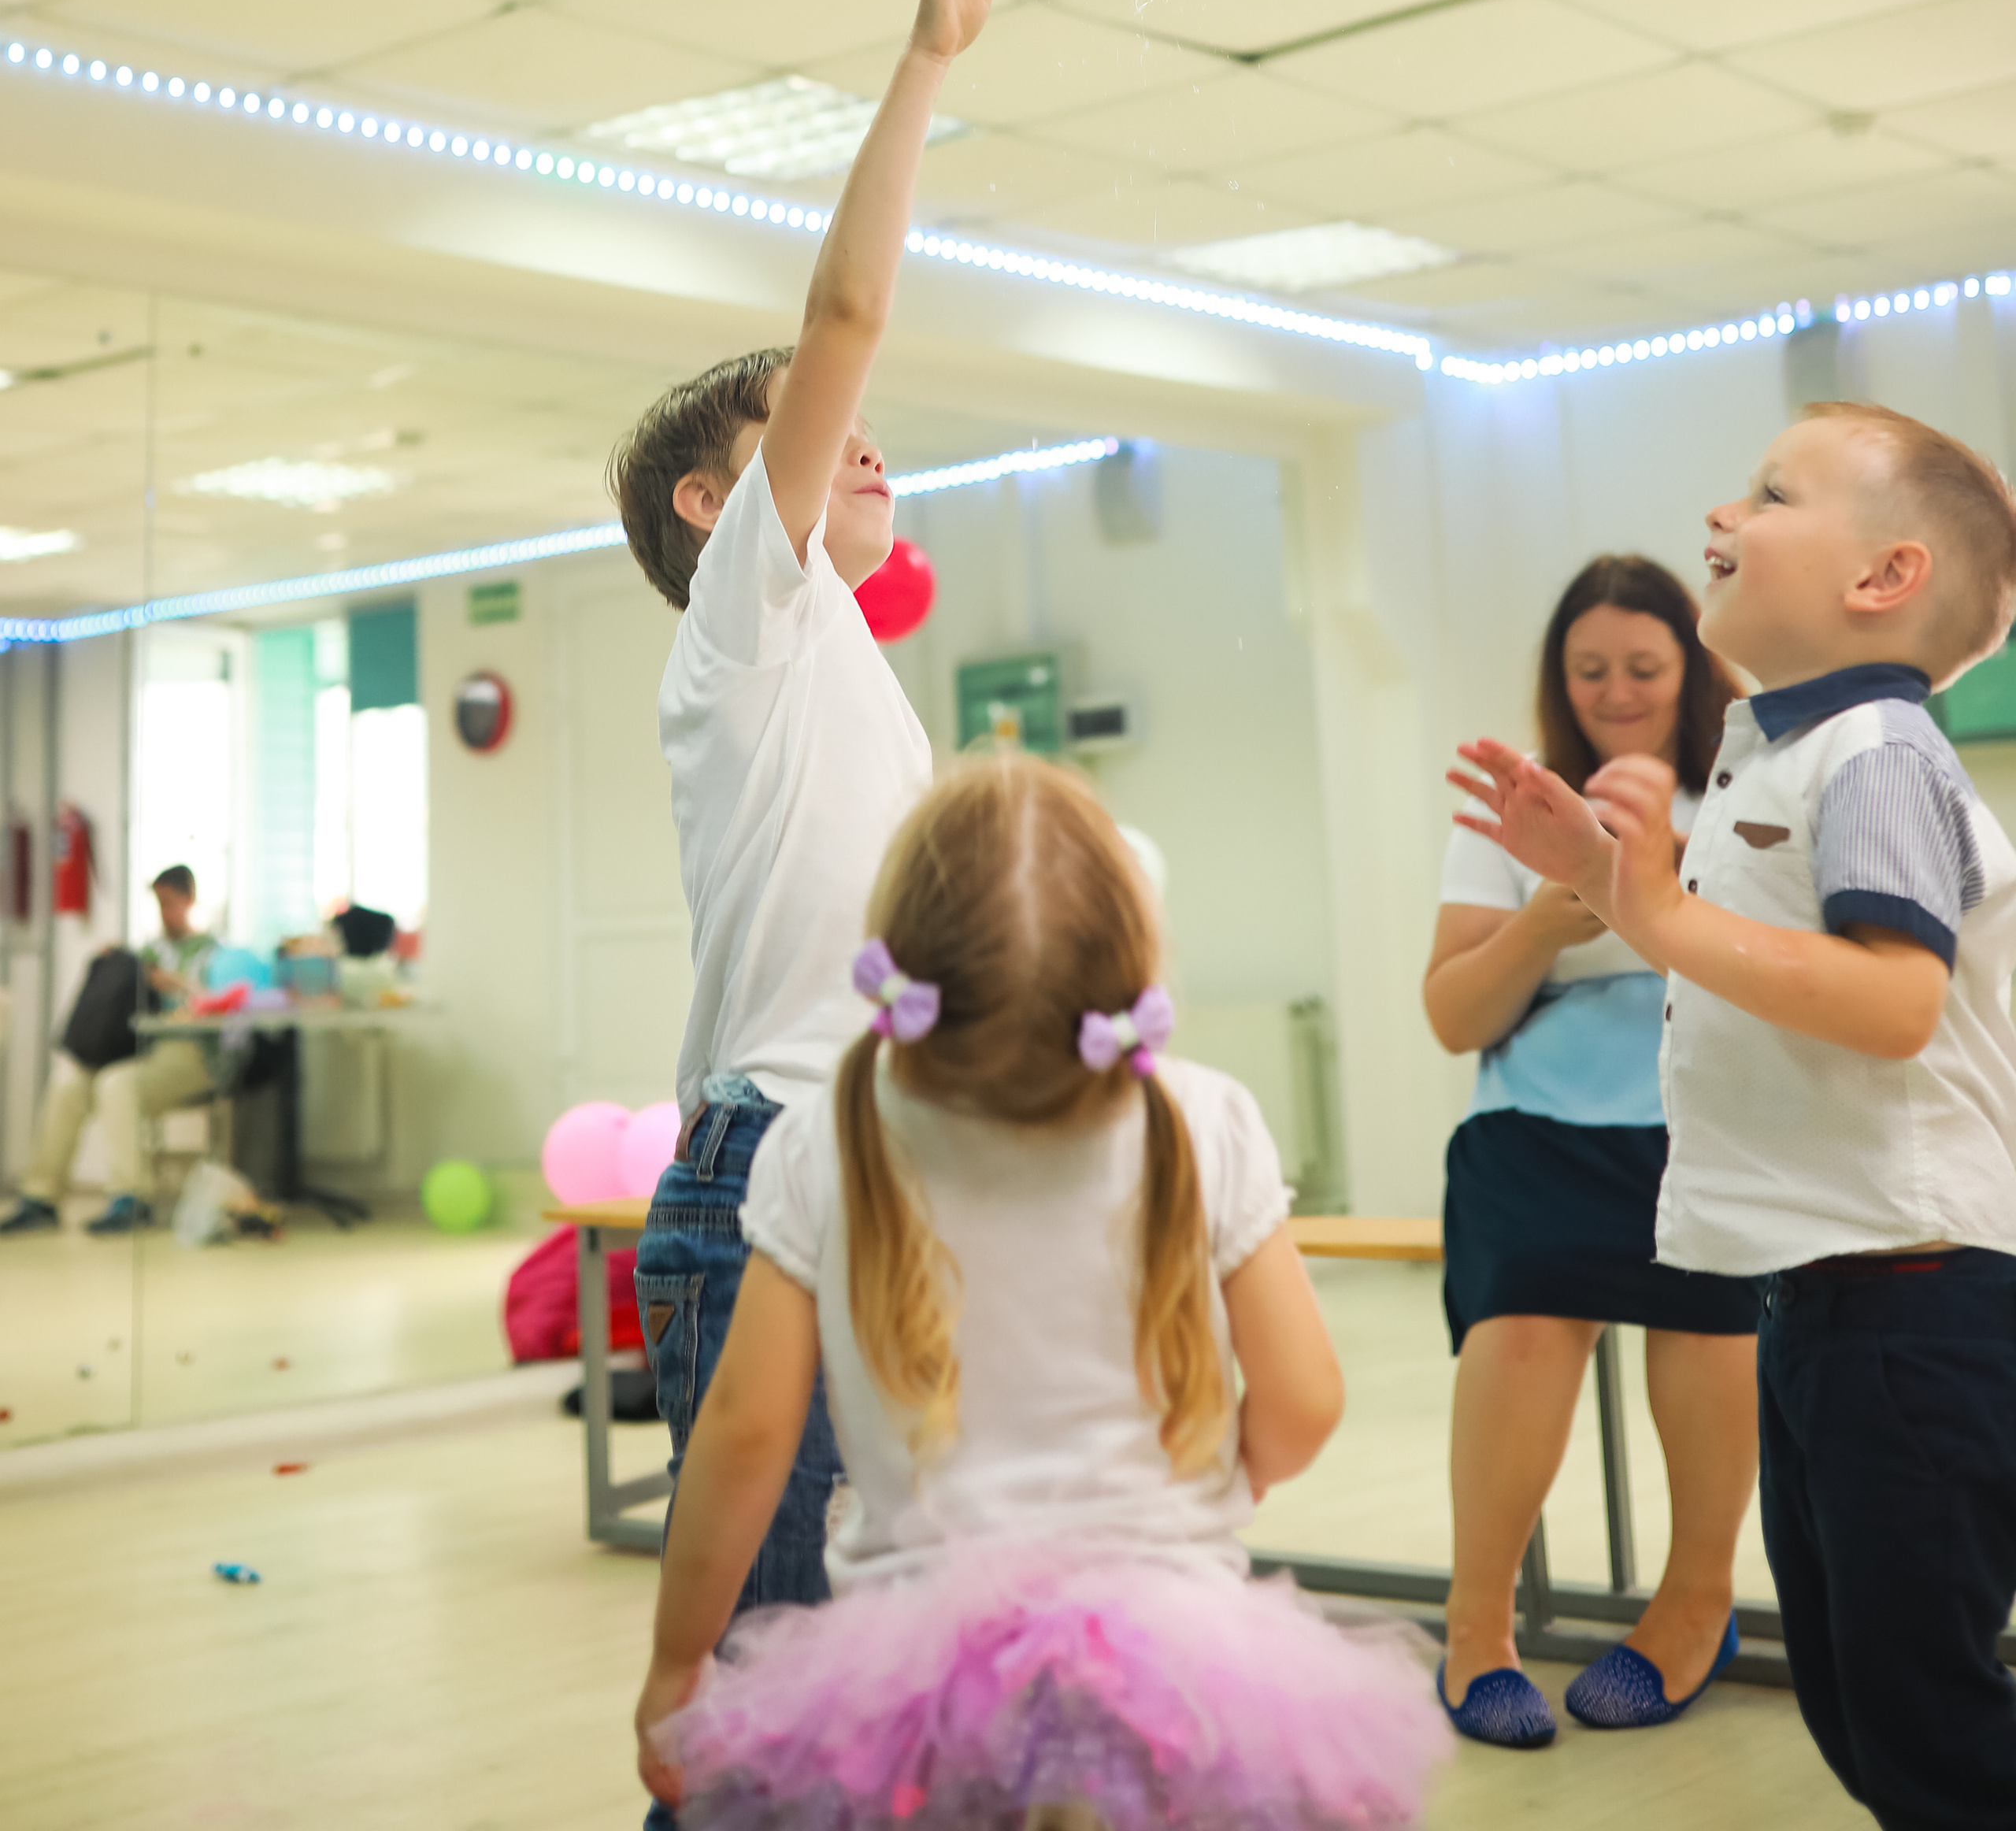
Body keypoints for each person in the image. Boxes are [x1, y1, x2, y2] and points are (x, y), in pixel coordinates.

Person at [631, 758, 1447, 1831]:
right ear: (1130, 954)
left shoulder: (828, 1137)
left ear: (899, 963)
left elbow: (744, 1436)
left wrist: (680, 1659)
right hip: (1177, 1659)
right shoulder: (1207, 1120)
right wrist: (1210, 1487)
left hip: (915, 1683)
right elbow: (1304, 1400)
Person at [1455, 400, 2016, 1829]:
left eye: (1769, 493)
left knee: (1928, 1722)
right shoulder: (1776, 756)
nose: (1721, 516)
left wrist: (1647, 901)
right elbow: (1761, 975)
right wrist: (1608, 878)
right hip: (1827, 1301)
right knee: (1858, 1701)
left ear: (1880, 580)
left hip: (1913, 1296)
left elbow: (1892, 999)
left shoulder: (1877, 749)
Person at [606, 0, 1017, 1623]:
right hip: (765, 1174)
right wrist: (927, 59)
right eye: (809, 433)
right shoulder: (745, 620)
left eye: (858, 434)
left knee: (876, 1696)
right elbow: (844, 318)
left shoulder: (841, 653)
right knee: (778, 1720)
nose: (859, 442)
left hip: (885, 1172)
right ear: (718, 506)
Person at [1424, 556, 1759, 1745]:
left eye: (1644, 667)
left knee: (1713, 1320)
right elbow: (1457, 1016)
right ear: (1558, 681)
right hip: (1536, 1127)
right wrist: (1544, 916)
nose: (1616, 690)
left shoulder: (1744, 793)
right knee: (1521, 1316)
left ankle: (1695, 1605)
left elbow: (1771, 984)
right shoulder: (1515, 811)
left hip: (1704, 1115)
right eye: (1590, 670)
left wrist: (1645, 887)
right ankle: (1478, 1633)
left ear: (1691, 669)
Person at [2, 864, 217, 1234]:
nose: (164, 912)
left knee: (116, 1085)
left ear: (190, 899)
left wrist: (179, 987)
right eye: (159, 903)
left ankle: (132, 1198)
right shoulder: (146, 953)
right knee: (68, 1086)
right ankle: (40, 1197)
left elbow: (223, 1006)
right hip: (139, 1048)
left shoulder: (212, 952)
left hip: (189, 1052)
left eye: (171, 902)